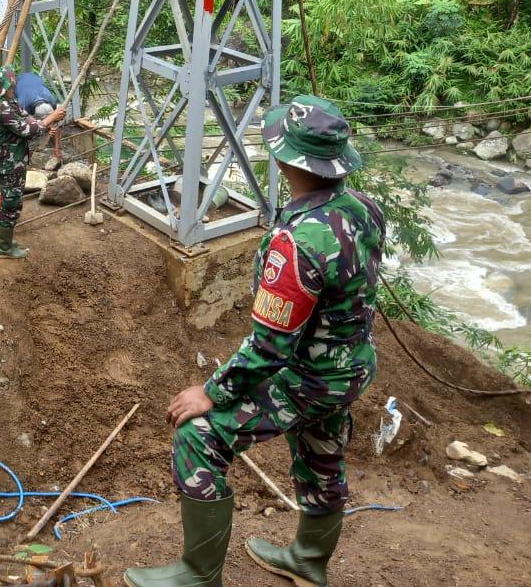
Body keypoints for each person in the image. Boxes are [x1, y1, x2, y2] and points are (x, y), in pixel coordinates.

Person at [124, 95, 385, 587]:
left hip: (308, 376)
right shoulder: (364, 209)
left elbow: (270, 348)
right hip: (350, 369)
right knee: (321, 449)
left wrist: (212, 392)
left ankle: (199, 576)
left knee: (198, 437)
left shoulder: (297, 241)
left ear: (286, 159)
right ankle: (308, 560)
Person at [0, 66, 65, 259]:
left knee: (7, 200)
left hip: (11, 159)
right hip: (9, 163)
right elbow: (26, 130)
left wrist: (44, 126)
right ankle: (4, 248)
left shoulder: (8, 101)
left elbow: (26, 117)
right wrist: (50, 119)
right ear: (4, 86)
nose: (14, 84)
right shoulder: (2, 108)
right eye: (11, 82)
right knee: (12, 203)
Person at [15, 70, 63, 160]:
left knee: (49, 125)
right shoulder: (23, 104)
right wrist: (42, 126)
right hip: (20, 82)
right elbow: (27, 127)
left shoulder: (52, 102)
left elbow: (55, 125)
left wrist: (57, 149)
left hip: (35, 78)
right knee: (32, 128)